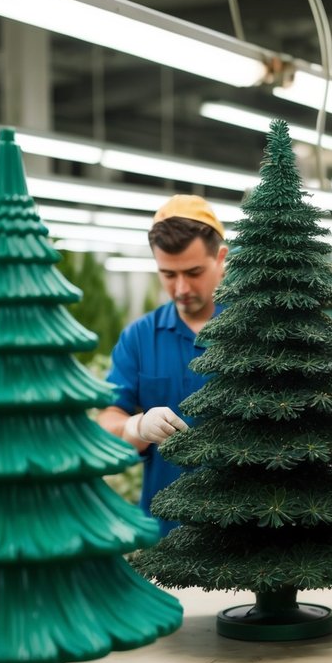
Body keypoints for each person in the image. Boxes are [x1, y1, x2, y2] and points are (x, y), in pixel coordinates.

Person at [97, 194, 228, 536]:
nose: (181, 288)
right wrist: (136, 428)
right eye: (168, 274)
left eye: (193, 272)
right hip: (167, 536)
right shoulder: (139, 338)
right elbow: (107, 424)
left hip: (248, 534)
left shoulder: (256, 333)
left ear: (221, 259)